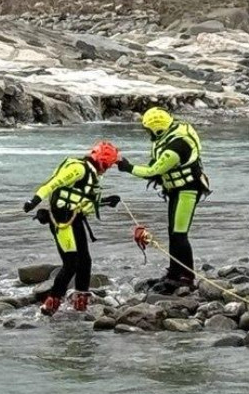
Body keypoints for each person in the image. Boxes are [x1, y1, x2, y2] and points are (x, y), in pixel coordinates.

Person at [116, 107, 209, 292]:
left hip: (188, 190)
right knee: (173, 232)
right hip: (175, 189)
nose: (147, 133)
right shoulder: (168, 135)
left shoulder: (177, 146)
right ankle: (174, 273)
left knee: (179, 234)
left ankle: (187, 277)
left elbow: (153, 171)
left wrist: (128, 167)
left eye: (148, 129)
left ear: (157, 129)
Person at [23, 141, 121, 313]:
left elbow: (84, 200)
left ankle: (81, 301)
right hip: (61, 220)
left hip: (75, 218)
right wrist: (34, 201)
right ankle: (51, 302)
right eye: (108, 165)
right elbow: (52, 184)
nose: (107, 169)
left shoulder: (92, 175)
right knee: (71, 263)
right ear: (102, 161)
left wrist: (107, 201)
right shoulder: (78, 169)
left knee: (85, 261)